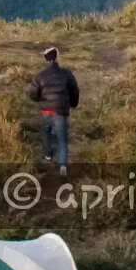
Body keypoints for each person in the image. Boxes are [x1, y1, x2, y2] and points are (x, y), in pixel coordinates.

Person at [27, 46, 79, 176]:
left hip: (47, 110)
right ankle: (63, 167)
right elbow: (74, 90)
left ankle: (48, 154)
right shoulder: (66, 73)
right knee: (62, 138)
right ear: (57, 58)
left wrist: (39, 99)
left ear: (45, 59)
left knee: (46, 130)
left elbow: (32, 92)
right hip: (61, 110)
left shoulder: (40, 76)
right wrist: (73, 103)